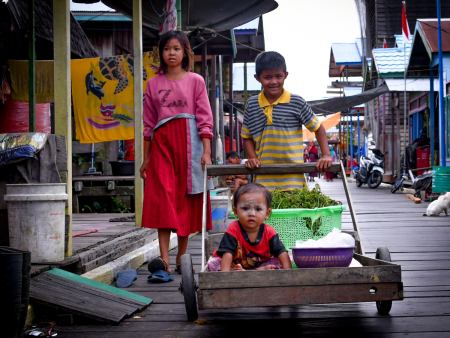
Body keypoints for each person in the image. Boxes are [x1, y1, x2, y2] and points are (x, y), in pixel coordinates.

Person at [140, 30, 213, 274]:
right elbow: (149, 125)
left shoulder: (196, 81)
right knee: (162, 198)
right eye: (167, 48)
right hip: (161, 145)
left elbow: (205, 117)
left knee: (185, 200)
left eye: (176, 48)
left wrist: (207, 152)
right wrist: (146, 158)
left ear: (185, 53)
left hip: (189, 144)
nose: (171, 53)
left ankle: (182, 256)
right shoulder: (153, 83)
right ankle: (164, 260)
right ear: (161, 53)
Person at [242, 51, 331, 191]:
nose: (273, 81)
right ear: (257, 78)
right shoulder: (252, 105)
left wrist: (326, 155)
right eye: (267, 77)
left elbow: (318, 128)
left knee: (294, 211)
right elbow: (246, 136)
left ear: (286, 75)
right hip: (263, 177)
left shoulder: (296, 102)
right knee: (266, 211)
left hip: (293, 176)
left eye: (278, 76)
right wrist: (252, 157)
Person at [207, 183, 292, 271]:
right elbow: (227, 253)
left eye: (258, 209)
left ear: (267, 213)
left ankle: (259, 269)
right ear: (236, 212)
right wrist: (226, 274)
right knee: (215, 264)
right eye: (245, 208)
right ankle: (235, 270)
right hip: (234, 264)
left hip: (261, 263)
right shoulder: (234, 229)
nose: (251, 214)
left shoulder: (269, 232)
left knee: (287, 258)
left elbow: (281, 251)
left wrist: (287, 272)